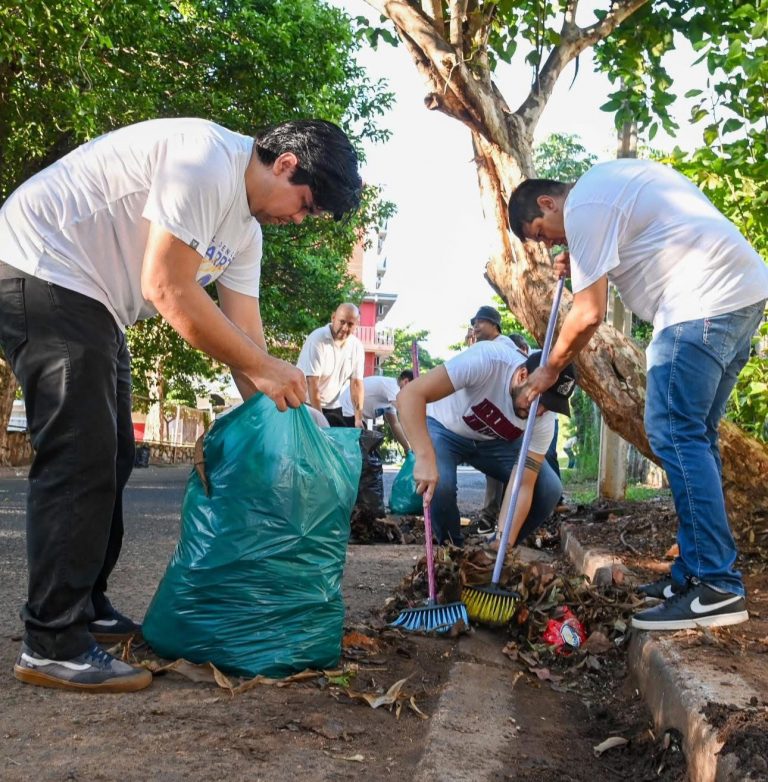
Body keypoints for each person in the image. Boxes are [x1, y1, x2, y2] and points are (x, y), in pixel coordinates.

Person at [0, 116, 362, 692]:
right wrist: (266, 369)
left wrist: (290, 420)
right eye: (305, 205)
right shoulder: (206, 159)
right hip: (43, 263)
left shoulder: (246, 232)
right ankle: (51, 642)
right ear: (287, 164)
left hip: (95, 301)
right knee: (81, 457)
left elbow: (246, 338)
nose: (298, 219)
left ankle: (85, 607)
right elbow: (167, 287)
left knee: (116, 453)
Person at [508, 157, 768, 631]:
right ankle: (691, 575)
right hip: (741, 295)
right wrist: (585, 256)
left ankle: (716, 585)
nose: (550, 244)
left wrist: (547, 371)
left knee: (674, 433)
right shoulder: (606, 188)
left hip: (700, 306)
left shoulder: (585, 204)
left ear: (548, 202)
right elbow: (642, 240)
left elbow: (589, 313)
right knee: (695, 439)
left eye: (543, 233)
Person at [397, 339, 577, 546]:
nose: (542, 412)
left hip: (495, 444)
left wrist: (503, 542)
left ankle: (496, 552)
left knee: (549, 488)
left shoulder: (544, 418)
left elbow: (523, 485)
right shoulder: (487, 361)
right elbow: (409, 395)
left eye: (550, 407)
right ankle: (451, 550)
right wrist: (424, 457)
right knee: (441, 485)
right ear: (522, 376)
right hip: (445, 429)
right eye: (540, 401)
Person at [469, 307, 516, 533]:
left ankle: (499, 519)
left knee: (505, 469)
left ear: (494, 324)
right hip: (491, 416)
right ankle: (493, 517)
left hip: (504, 416)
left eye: (480, 322)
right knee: (495, 472)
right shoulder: (482, 347)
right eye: (474, 322)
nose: (475, 326)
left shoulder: (505, 345)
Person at [297, 303, 364, 427]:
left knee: (335, 443)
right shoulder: (317, 339)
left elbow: (356, 384)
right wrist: (320, 421)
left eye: (350, 324)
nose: (345, 328)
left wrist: (358, 419)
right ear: (333, 318)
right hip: (305, 403)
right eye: (342, 322)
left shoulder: (357, 347)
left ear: (356, 325)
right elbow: (312, 383)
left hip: (333, 405)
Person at [340, 370, 413, 452]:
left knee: (366, 447)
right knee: (358, 449)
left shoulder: (391, 398)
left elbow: (395, 424)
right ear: (406, 382)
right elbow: (404, 412)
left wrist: (407, 449)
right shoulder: (393, 386)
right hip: (347, 409)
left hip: (354, 414)